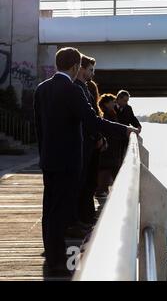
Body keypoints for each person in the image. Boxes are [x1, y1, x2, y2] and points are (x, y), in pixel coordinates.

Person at [33, 47, 139, 275]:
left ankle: (52, 256)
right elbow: (94, 122)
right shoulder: (72, 90)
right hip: (69, 162)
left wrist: (44, 154)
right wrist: (126, 129)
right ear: (74, 67)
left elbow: (39, 129)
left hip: (49, 159)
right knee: (61, 211)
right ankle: (58, 262)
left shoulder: (42, 89)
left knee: (49, 209)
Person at [74, 55, 103, 227]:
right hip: (83, 145)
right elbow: (88, 119)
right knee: (83, 183)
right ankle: (80, 219)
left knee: (88, 182)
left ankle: (86, 217)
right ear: (81, 68)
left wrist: (100, 137)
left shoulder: (84, 87)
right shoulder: (77, 88)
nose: (93, 73)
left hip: (89, 144)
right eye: (91, 69)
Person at [96, 93, 121, 198]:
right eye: (113, 102)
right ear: (106, 104)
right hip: (108, 147)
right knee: (106, 167)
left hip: (111, 147)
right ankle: (102, 191)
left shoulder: (111, 113)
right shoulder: (106, 114)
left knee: (109, 167)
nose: (114, 104)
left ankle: (104, 190)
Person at [114, 90, 142, 175]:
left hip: (124, 137)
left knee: (122, 157)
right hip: (114, 138)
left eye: (127, 101)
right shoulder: (112, 107)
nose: (126, 103)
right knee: (114, 159)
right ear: (118, 99)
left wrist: (138, 126)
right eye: (125, 101)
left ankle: (121, 172)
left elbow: (132, 118)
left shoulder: (128, 108)